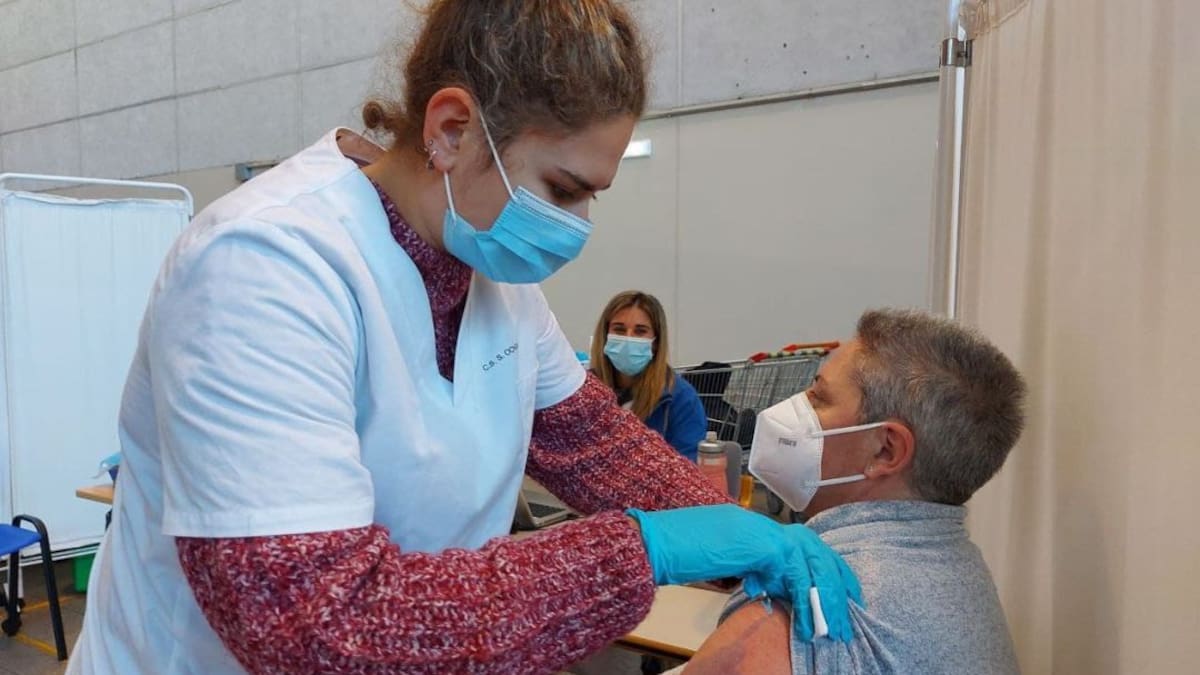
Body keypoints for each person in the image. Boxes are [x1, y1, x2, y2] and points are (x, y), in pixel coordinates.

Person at [67, 2, 860, 674]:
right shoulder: (262, 266)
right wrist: (641, 552)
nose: (577, 225)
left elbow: (593, 444)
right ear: (450, 129)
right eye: (562, 188)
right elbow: (314, 620)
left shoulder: (496, 280)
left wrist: (738, 534)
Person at [682, 309, 1025, 675]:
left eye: (818, 397)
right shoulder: (966, 579)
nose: (790, 408)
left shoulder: (796, 609)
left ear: (885, 450)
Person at [591, 291, 707, 461]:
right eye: (619, 329)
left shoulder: (680, 398)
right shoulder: (585, 390)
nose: (628, 338)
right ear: (605, 335)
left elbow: (689, 465)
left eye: (640, 331)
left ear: (656, 342)